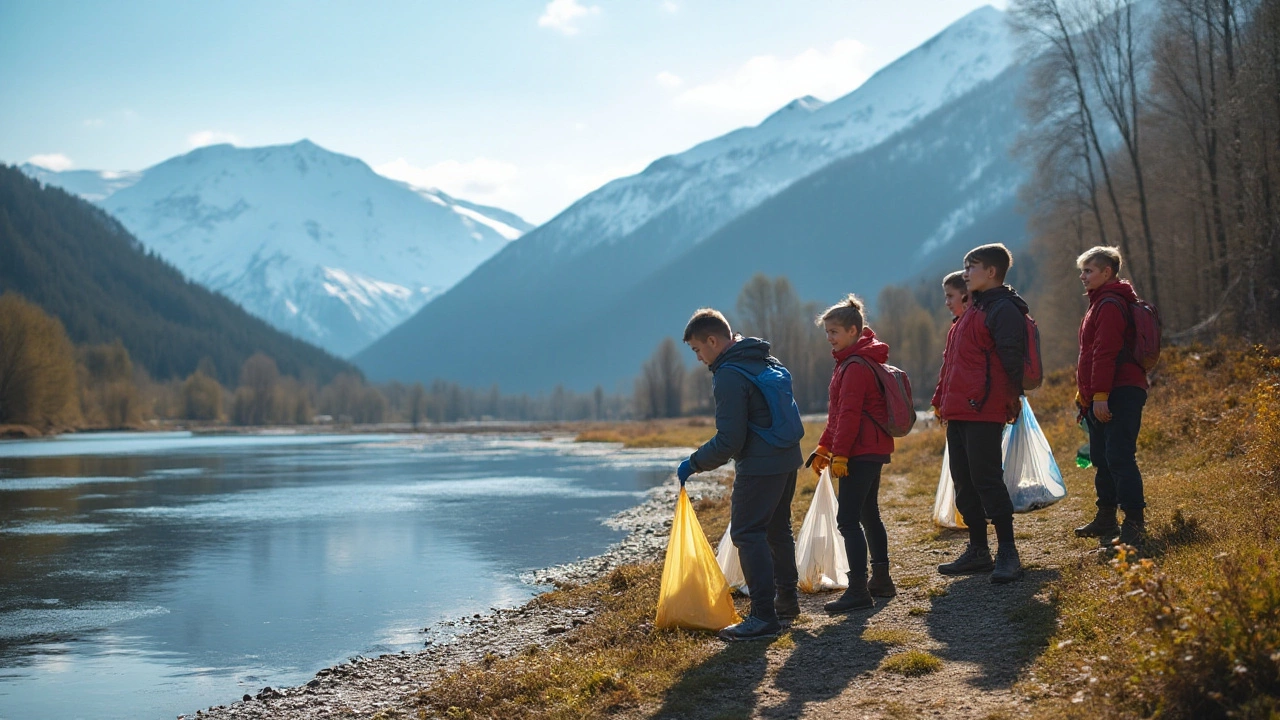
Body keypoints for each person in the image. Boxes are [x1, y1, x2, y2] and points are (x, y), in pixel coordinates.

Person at [676, 308, 804, 641]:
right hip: (788, 458)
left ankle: (763, 616)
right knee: (777, 529)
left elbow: (729, 441)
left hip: (760, 465)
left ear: (713, 341)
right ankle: (786, 601)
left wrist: (694, 463)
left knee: (747, 533)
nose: (699, 358)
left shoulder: (729, 374)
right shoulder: (761, 358)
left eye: (697, 350)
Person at [933, 243, 1031, 584]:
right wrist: (941, 401)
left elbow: (1011, 360)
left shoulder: (1002, 309)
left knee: (987, 479)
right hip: (960, 411)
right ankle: (978, 550)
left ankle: (1008, 552)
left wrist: (1011, 398)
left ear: (991, 272)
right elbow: (955, 364)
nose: (965, 273)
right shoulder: (972, 311)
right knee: (964, 482)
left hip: (984, 409)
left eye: (971, 267)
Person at [807, 295, 896, 613]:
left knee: (847, 519)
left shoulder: (855, 366)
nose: (829, 338)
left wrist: (840, 454)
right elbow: (838, 415)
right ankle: (881, 580)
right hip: (870, 448)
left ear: (854, 330)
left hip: (861, 451)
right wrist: (824, 446)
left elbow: (849, 416)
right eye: (827, 332)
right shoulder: (852, 361)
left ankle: (858, 589)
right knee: (868, 514)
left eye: (834, 332)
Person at [1072, 246, 1149, 547]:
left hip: (1119, 392)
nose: (1083, 276)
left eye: (1088, 271)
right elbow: (1091, 355)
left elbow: (1106, 353)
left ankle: (1134, 523)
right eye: (1082, 270)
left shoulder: (1109, 305)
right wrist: (1086, 395)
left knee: (1119, 456)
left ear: (1107, 272)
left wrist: (1101, 395)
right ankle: (1106, 517)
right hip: (1103, 393)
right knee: (1102, 458)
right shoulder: (1099, 304)